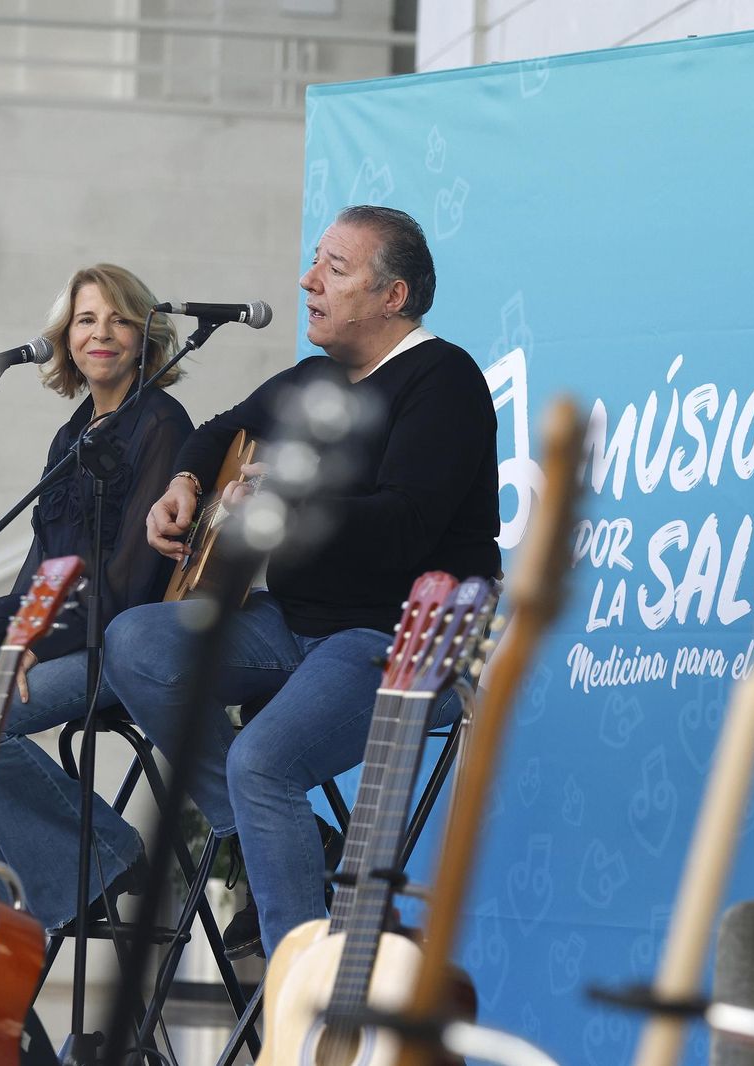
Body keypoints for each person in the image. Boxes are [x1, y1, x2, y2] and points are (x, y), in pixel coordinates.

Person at [105, 205, 501, 959]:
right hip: (295, 627)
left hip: (400, 639)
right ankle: (290, 840)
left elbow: (405, 525)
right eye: (315, 261)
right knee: (138, 643)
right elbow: (220, 429)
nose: (307, 280)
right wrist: (186, 480)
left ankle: (300, 983)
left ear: (394, 296)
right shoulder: (316, 378)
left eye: (335, 268)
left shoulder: (443, 380)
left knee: (265, 763)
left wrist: (293, 505)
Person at [0, 264, 193, 933]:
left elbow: (127, 580)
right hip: (57, 635)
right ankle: (23, 896)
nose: (102, 333)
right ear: (65, 337)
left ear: (145, 336)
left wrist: (30, 645)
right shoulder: (74, 432)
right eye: (86, 320)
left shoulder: (160, 424)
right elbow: (46, 564)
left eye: (119, 318)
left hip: (121, 645)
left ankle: (107, 855)